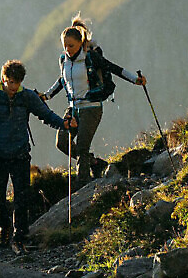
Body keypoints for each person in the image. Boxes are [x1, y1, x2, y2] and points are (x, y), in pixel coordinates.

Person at [0, 59, 74, 253]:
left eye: (16, 83)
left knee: (22, 198)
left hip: (20, 154)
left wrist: (64, 125)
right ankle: (5, 227)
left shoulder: (27, 97)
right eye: (10, 82)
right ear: (3, 78)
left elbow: (46, 115)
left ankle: (19, 238)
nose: (13, 87)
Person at [40, 16, 146, 186]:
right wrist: (47, 95)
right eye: (64, 46)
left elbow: (113, 68)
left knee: (82, 146)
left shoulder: (91, 57)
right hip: (73, 108)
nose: (67, 49)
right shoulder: (64, 60)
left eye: (71, 46)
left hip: (92, 107)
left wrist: (135, 79)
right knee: (61, 142)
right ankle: (94, 163)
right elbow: (62, 80)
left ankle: (83, 184)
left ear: (81, 43)